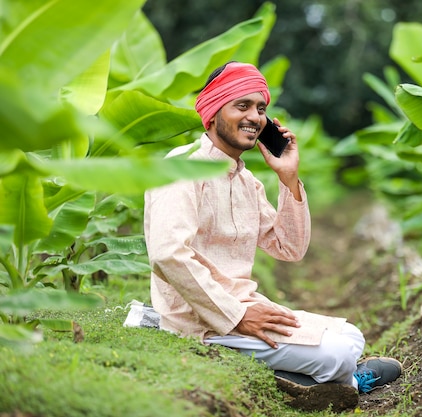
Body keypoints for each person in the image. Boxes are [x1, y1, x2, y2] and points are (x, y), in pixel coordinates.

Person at [143, 61, 402, 412]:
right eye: (242, 106)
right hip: (201, 321)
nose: (255, 117)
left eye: (261, 109)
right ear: (213, 110)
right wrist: (236, 316)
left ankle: (317, 379)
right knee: (339, 354)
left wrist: (288, 178)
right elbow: (167, 253)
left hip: (244, 310)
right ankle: (345, 381)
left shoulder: (245, 180)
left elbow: (289, 248)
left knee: (351, 337)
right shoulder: (182, 166)